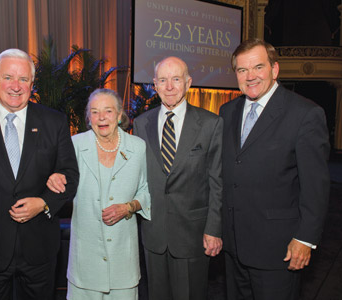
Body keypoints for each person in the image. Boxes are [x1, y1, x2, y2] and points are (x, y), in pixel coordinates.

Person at [219, 38, 331, 300]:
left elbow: (316, 186)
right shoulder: (227, 111)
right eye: (242, 70)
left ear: (275, 69)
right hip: (233, 245)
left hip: (277, 248)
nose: (250, 76)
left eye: (258, 67)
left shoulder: (305, 114)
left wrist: (305, 239)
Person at [0, 48, 79, 300]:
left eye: (23, 79)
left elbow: (70, 175)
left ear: (32, 84)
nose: (15, 86)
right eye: (8, 77)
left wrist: (43, 202)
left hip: (39, 248)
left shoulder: (54, 122)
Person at [47, 88, 151, 299]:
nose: (101, 117)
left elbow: (147, 190)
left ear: (120, 115)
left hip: (123, 261)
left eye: (108, 111)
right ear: (88, 117)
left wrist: (128, 207)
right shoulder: (75, 145)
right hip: (85, 263)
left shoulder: (138, 147)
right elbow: (59, 177)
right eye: (95, 112)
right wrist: (54, 177)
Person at [133, 56, 223, 300]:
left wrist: (214, 229)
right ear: (154, 84)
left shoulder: (210, 124)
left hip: (193, 234)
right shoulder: (141, 124)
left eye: (176, 79)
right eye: (163, 80)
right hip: (154, 233)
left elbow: (217, 182)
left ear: (188, 82)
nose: (170, 86)